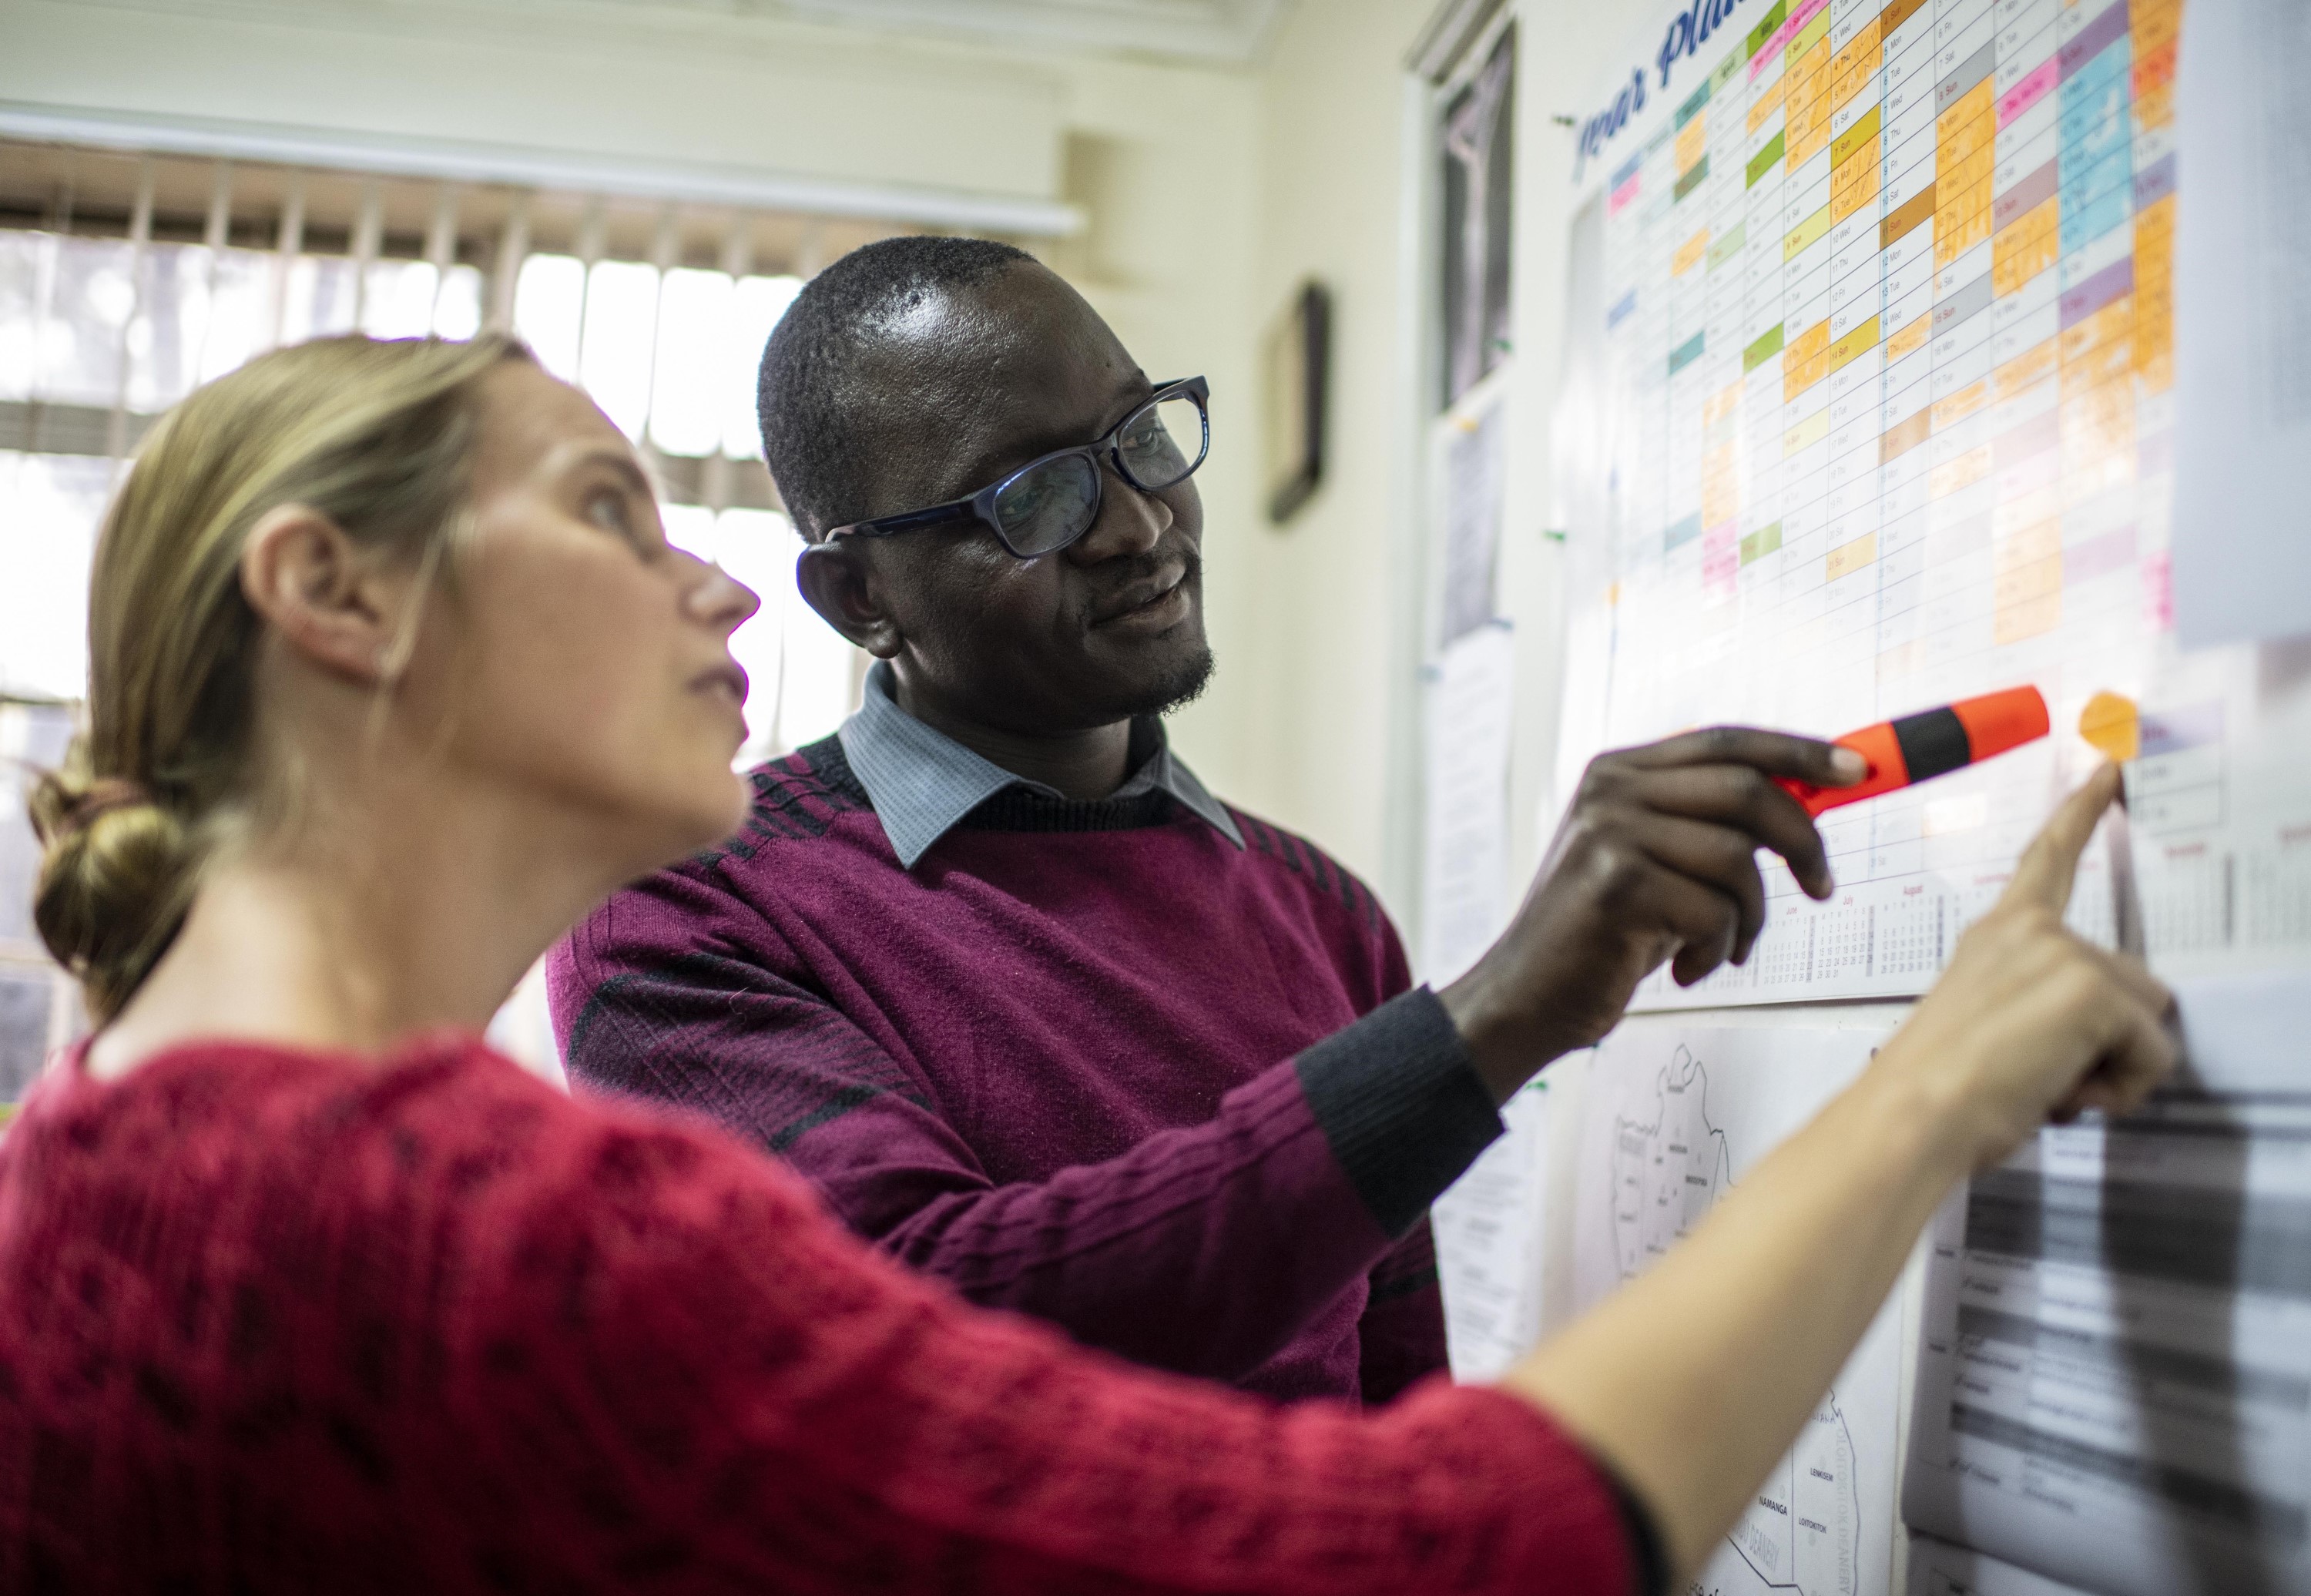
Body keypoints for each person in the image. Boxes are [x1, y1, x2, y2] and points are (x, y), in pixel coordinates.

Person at [0, 332, 2176, 1594]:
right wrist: (1930, 1084)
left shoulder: (90, 1158)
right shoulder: (480, 1212)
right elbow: (1437, 1540)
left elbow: (1387, 1380)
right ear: (334, 597)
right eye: (604, 514)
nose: (715, 601)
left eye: (1147, 441)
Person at [549, 236, 1883, 1402]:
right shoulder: (688, 901)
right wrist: (1492, 1021)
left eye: (1138, 436)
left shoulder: (1320, 911)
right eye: (1034, 499)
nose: (1139, 524)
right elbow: (926, 1335)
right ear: (859, 602)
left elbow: (1391, 1404)